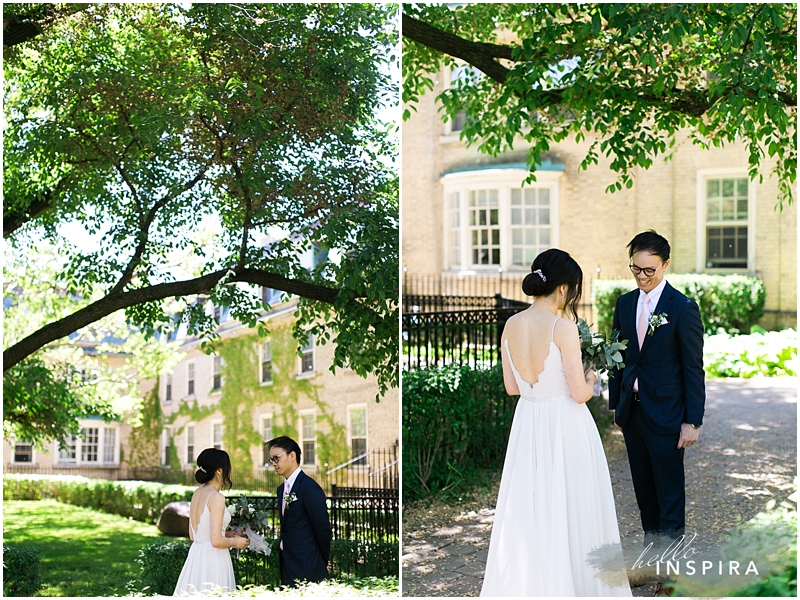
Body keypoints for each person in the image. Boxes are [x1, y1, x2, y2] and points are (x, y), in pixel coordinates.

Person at [480, 248, 631, 597]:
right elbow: (579, 393)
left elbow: (511, 387)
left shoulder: (510, 325)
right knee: (573, 505)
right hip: (565, 426)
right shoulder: (562, 327)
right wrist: (593, 378)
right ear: (563, 289)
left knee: (532, 507)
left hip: (529, 424)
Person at [608, 231, 705, 596]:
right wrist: (616, 404)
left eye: (649, 270)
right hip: (632, 415)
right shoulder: (623, 303)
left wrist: (692, 420)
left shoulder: (682, 308)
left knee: (670, 497)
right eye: (636, 269)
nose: (642, 277)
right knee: (645, 495)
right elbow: (618, 356)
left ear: (665, 264)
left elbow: (693, 368)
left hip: (668, 416)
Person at [174, 448, 249, 596]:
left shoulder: (197, 493)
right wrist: (236, 542)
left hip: (196, 557)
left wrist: (228, 534)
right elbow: (215, 541)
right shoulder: (216, 497)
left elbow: (194, 535)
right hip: (214, 559)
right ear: (220, 471)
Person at [267, 436, 332, 587]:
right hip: (287, 562)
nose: (274, 464)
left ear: (292, 456)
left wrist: (322, 561)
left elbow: (322, 529)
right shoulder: (281, 489)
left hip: (307, 563)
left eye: (277, 458)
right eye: (272, 460)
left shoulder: (309, 487)